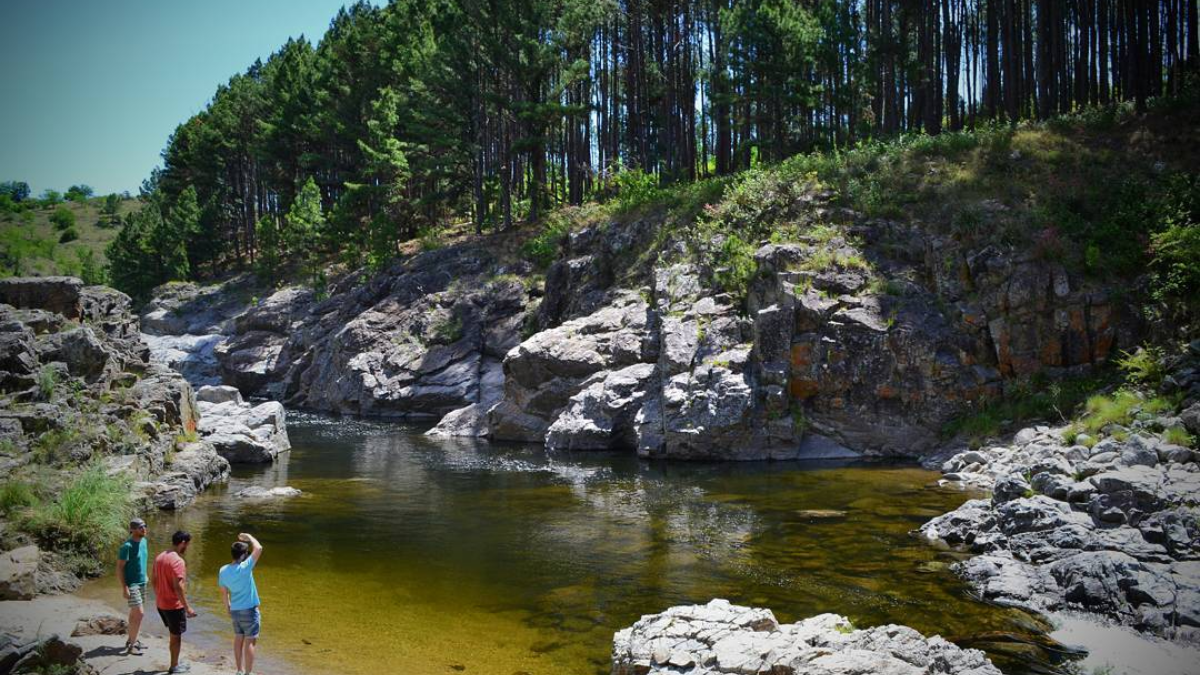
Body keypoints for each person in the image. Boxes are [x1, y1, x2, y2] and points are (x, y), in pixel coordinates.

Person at [218, 533, 264, 675]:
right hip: (249, 610)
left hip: (235, 610)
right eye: (247, 554)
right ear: (244, 555)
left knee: (238, 638)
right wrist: (249, 536)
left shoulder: (223, 570)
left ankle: (239, 670)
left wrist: (228, 608)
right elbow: (259, 548)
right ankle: (248, 673)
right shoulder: (245, 567)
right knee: (250, 642)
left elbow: (224, 592)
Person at [152, 530, 197, 674]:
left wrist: (159, 594)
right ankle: (174, 667)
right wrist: (187, 608)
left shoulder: (160, 557)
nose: (187, 548)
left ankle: (175, 663)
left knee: (172, 634)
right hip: (173, 606)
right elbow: (178, 587)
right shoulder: (178, 561)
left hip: (161, 604)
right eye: (187, 545)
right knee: (176, 636)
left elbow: (153, 580)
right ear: (182, 543)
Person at [115, 518, 148, 655]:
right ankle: (132, 646)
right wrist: (124, 588)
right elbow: (119, 568)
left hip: (142, 582)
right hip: (132, 585)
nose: (144, 529)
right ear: (133, 530)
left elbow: (143, 560)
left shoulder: (144, 541)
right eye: (141, 527)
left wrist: (146, 576)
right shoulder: (126, 547)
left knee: (134, 614)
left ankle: (131, 640)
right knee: (140, 614)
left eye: (145, 526)